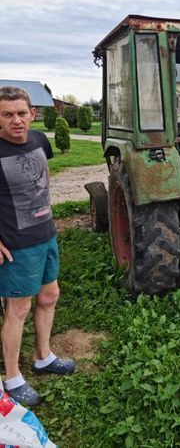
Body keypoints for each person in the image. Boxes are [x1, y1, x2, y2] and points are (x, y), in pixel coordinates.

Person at [0, 86, 75, 406]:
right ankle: (13, 377)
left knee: (49, 295)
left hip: (46, 234)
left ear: (33, 114)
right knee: (18, 308)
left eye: (21, 113)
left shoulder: (40, 140)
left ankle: (43, 356)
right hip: (16, 243)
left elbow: (41, 183)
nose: (16, 120)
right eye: (7, 114)